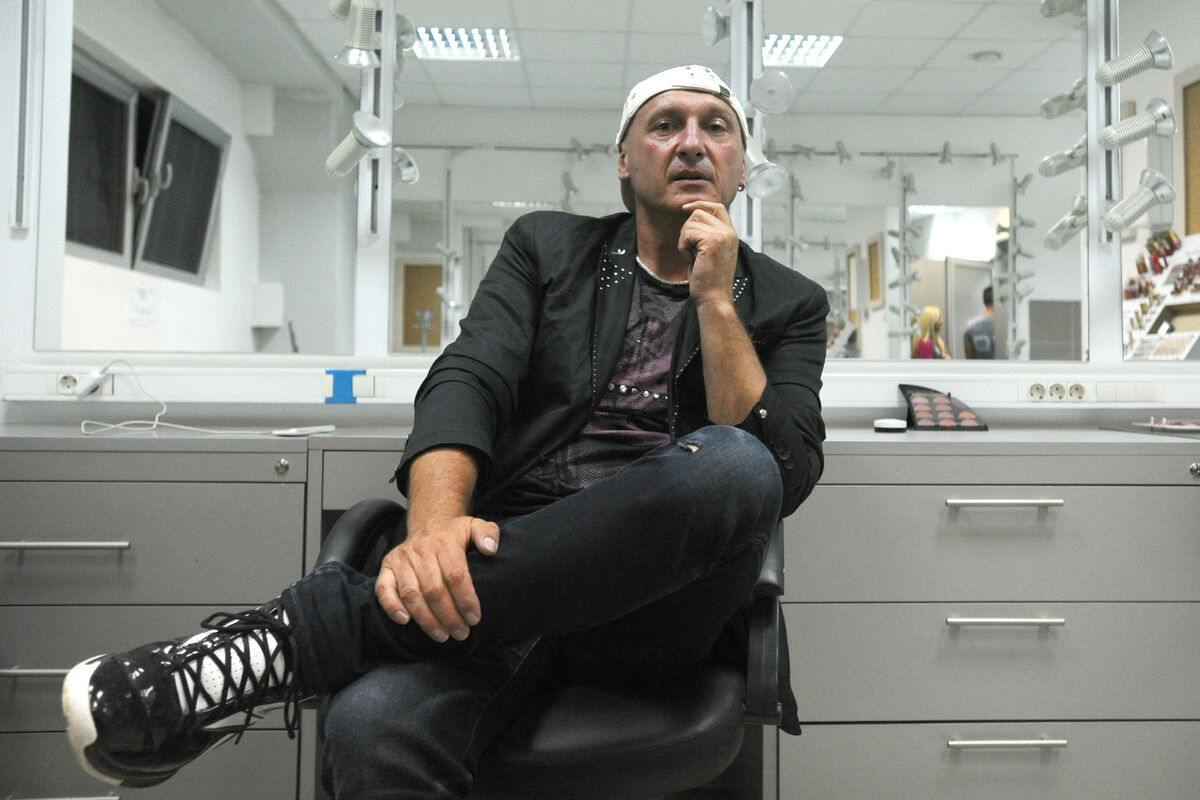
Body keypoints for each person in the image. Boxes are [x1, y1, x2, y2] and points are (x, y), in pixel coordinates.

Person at [60, 65, 828, 799]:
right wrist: (431, 533)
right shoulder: (548, 248)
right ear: (624, 161)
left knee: (737, 463)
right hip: (497, 570)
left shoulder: (789, 303)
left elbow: (785, 468)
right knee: (371, 724)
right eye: (665, 125)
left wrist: (715, 303)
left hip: (653, 614)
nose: (691, 142)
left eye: (716, 127)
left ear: (741, 168)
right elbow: (469, 378)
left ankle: (296, 641)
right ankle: (315, 641)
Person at [963, 285, 996, 359]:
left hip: (978, 365)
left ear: (984, 301)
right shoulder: (1004, 324)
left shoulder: (970, 325)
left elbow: (968, 356)